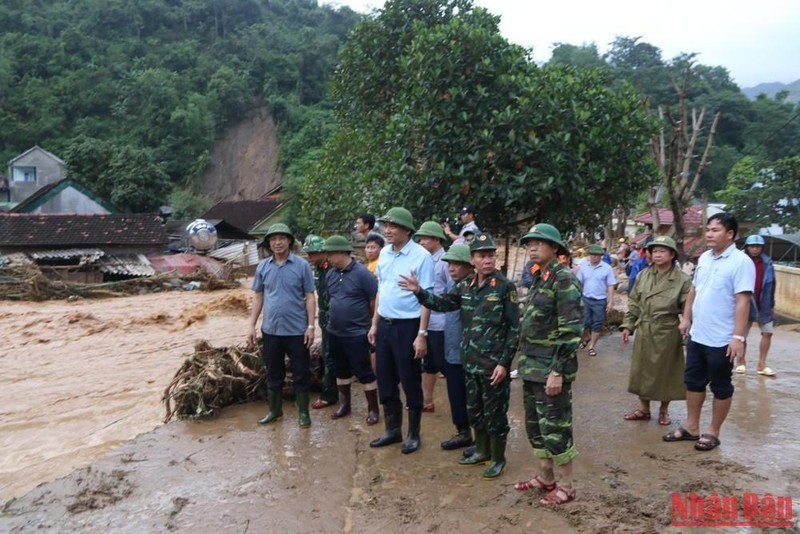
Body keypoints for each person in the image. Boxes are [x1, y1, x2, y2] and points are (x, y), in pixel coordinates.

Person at [400, 234, 519, 479]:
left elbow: (514, 329)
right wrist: (419, 291)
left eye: (491, 255)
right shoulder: (464, 286)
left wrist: (504, 364)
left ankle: (498, 458)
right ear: (472, 260)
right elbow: (443, 304)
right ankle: (482, 451)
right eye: (481, 256)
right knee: (475, 410)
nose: (487, 260)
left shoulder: (505, 287)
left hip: (493, 366)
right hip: (471, 362)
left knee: (495, 414)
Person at [665, 212, 755, 451]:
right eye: (708, 229)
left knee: (721, 386)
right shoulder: (704, 257)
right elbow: (694, 290)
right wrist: (686, 318)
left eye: (715, 230)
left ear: (730, 234)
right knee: (693, 382)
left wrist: (738, 338)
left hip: (722, 339)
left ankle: (713, 432)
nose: (709, 234)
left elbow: (743, 301)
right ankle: (692, 427)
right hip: (698, 335)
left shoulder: (741, 262)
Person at [513, 223, 582, 505]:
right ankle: (546, 477)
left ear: (555, 248)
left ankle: (567, 485)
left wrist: (557, 371)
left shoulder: (563, 279)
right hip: (531, 367)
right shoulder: (540, 277)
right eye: (529, 243)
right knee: (535, 426)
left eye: (539, 243)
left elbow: (572, 330)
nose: (532, 247)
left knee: (556, 427)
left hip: (550, 369)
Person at [368, 207, 434, 454]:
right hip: (385, 324)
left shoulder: (421, 257)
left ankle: (413, 434)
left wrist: (422, 334)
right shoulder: (384, 253)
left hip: (408, 326)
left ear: (407, 230)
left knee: (409, 378)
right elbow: (381, 290)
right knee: (384, 377)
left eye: (393, 226)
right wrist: (374, 324)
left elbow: (427, 297)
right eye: (386, 225)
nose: (388, 230)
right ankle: (392, 430)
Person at [247, 223, 316, 428]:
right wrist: (251, 325)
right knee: (273, 372)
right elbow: (258, 296)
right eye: (273, 239)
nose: (277, 242)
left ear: (289, 241)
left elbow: (310, 296)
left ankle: (303, 413)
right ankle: (274, 411)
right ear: (269, 244)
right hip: (271, 330)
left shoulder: (301, 266)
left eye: (281, 238)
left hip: (297, 331)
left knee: (301, 372)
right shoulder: (263, 267)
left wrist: (311, 326)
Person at [620, 236, 691, 426]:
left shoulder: (682, 280)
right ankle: (643, 409)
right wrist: (628, 325)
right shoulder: (643, 275)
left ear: (672, 254)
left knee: (665, 372)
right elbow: (634, 301)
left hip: (667, 331)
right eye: (655, 251)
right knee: (642, 371)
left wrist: (686, 331)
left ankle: (663, 411)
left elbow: (688, 309)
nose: (657, 254)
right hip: (645, 329)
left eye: (662, 251)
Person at [322, 235, 381, 424]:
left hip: (357, 332)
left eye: (331, 254)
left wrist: (372, 326)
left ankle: (373, 409)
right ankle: (344, 405)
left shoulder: (363, 274)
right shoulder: (330, 274)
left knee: (364, 371)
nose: (328, 258)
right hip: (335, 331)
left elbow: (374, 301)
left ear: (342, 252)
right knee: (341, 370)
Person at [438, 244, 475, 450]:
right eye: (449, 264)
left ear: (469, 266)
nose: (451, 268)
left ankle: (481, 439)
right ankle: (462, 432)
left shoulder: (475, 287)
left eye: (456, 264)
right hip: (452, 349)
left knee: (474, 398)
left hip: (471, 354)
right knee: (456, 394)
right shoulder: (451, 286)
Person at [414, 221, 450, 414]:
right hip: (423, 320)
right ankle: (427, 400)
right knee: (427, 363)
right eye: (420, 238)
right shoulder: (423, 259)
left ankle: (459, 397)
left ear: (437, 239)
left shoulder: (445, 262)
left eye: (425, 238)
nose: (421, 242)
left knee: (443, 362)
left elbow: (450, 292)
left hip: (439, 321)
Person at [301, 235, 339, 411]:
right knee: (328, 355)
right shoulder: (318, 268)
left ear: (324, 252)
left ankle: (329, 395)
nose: (310, 257)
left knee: (331, 357)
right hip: (324, 318)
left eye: (313, 254)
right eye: (308, 254)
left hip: (336, 318)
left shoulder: (333, 268)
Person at [735, 235, 777, 376]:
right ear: (747, 247)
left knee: (767, 333)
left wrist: (771, 304)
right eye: (752, 246)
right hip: (745, 302)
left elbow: (772, 284)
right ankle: (741, 362)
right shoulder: (740, 261)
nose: (755, 249)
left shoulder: (767, 262)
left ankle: (762, 364)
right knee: (741, 335)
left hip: (764, 303)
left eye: (758, 246)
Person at [576, 243, 616, 357]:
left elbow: (611, 285)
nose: (594, 257)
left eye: (597, 255)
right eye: (592, 255)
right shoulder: (584, 267)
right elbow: (579, 282)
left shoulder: (607, 268)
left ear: (601, 256)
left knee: (597, 324)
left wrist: (611, 301)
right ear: (589, 255)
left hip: (600, 300)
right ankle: (587, 336)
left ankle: (592, 346)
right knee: (585, 322)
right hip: (586, 298)